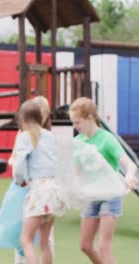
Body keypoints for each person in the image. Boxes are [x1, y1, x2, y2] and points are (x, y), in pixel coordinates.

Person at [69, 97, 138, 264]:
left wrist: (129, 175)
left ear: (90, 118)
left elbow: (130, 164)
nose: (75, 126)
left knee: (103, 246)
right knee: (85, 245)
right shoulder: (77, 142)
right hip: (91, 196)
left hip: (110, 195)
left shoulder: (107, 139)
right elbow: (76, 173)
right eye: (73, 122)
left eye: (78, 122)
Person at [13, 100, 67, 264]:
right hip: (54, 190)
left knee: (26, 239)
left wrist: (20, 180)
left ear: (23, 117)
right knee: (44, 241)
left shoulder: (24, 137)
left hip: (38, 190)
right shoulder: (50, 136)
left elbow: (19, 164)